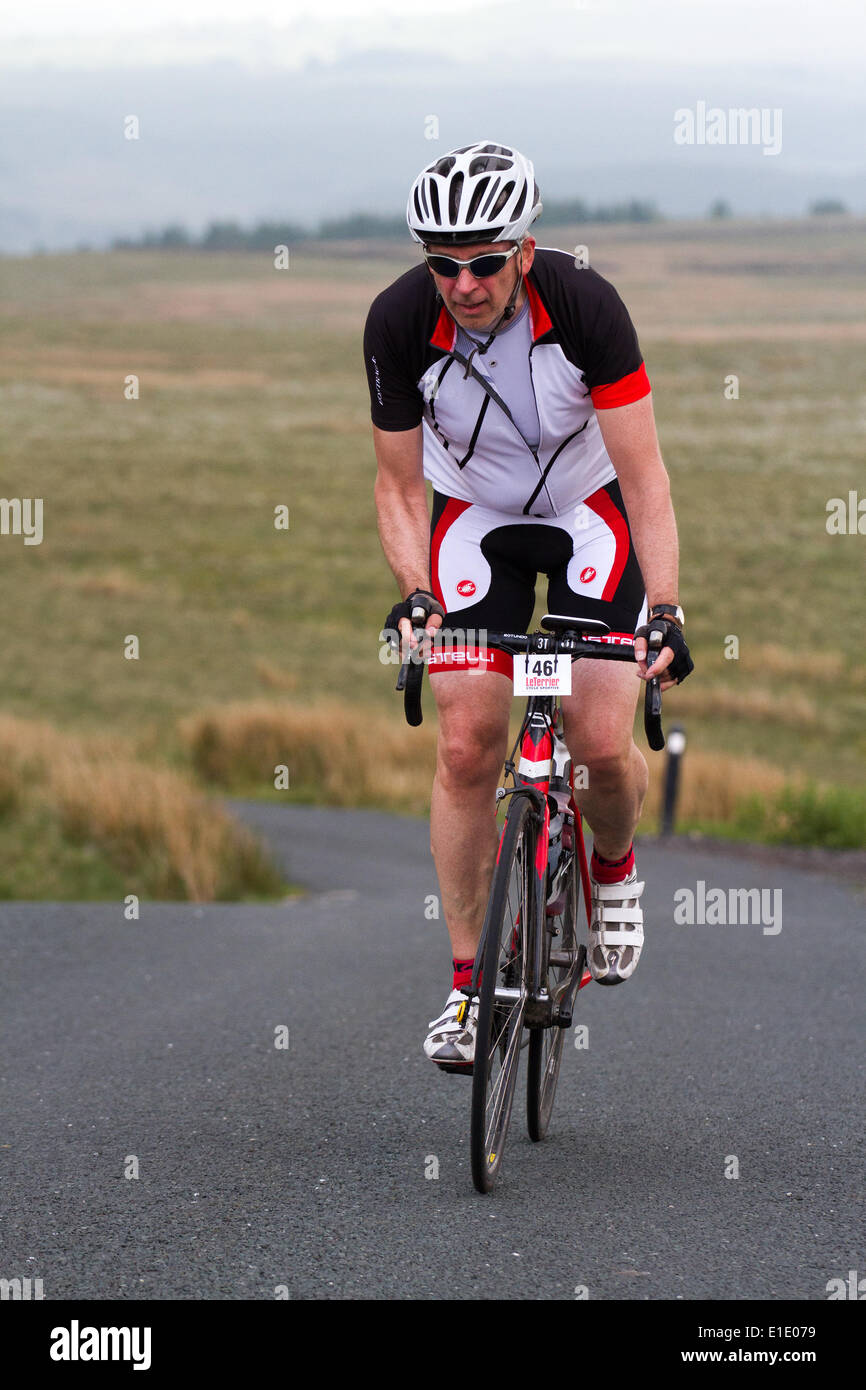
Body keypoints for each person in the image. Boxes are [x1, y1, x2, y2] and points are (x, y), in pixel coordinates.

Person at [363, 141, 693, 1070]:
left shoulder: (586, 305)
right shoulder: (396, 322)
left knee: (598, 743)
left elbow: (645, 476)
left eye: (482, 261)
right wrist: (416, 598)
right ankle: (469, 991)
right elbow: (398, 490)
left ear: (525, 248)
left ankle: (613, 863)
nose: (461, 283)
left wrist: (662, 608)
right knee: (466, 743)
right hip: (476, 519)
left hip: (590, 513)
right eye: (442, 263)